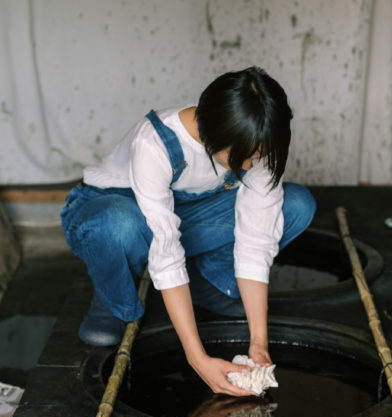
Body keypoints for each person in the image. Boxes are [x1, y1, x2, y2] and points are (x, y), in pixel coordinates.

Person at [61, 67, 316, 396]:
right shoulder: (154, 142)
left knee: (295, 204)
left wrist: (259, 343)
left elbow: (257, 240)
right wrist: (199, 360)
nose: (252, 166)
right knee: (118, 225)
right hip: (113, 210)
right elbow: (166, 253)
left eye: (259, 156)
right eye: (244, 158)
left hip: (188, 213)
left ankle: (207, 282)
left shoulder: (255, 140)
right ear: (212, 133)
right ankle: (114, 297)